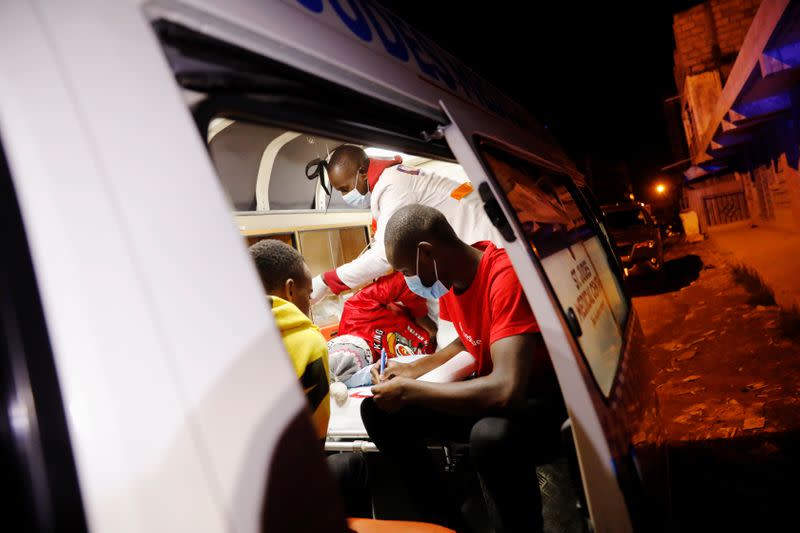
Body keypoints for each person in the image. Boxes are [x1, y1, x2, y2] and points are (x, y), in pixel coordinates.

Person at [360, 205, 565, 532]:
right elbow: (469, 339)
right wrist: (413, 370)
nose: (406, 281)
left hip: (537, 403)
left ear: (426, 253)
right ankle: (447, 523)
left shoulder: (505, 277)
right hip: (497, 397)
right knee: (378, 412)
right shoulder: (452, 281)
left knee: (490, 435)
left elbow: (506, 390)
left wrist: (413, 390)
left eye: (405, 271)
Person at [310, 145, 503, 305]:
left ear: (362, 173)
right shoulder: (393, 179)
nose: (345, 196)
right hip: (481, 239)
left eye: (345, 189)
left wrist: (327, 280)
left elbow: (384, 255)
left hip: (488, 243)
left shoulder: (392, 186)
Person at [249, 239, 330, 440]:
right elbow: (315, 438)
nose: (309, 303)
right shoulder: (309, 342)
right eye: (309, 294)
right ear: (290, 290)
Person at [328, 271, 436, 386]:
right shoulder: (373, 373)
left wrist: (421, 316)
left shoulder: (355, 309)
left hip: (435, 318)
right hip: (433, 364)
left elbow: (404, 281)